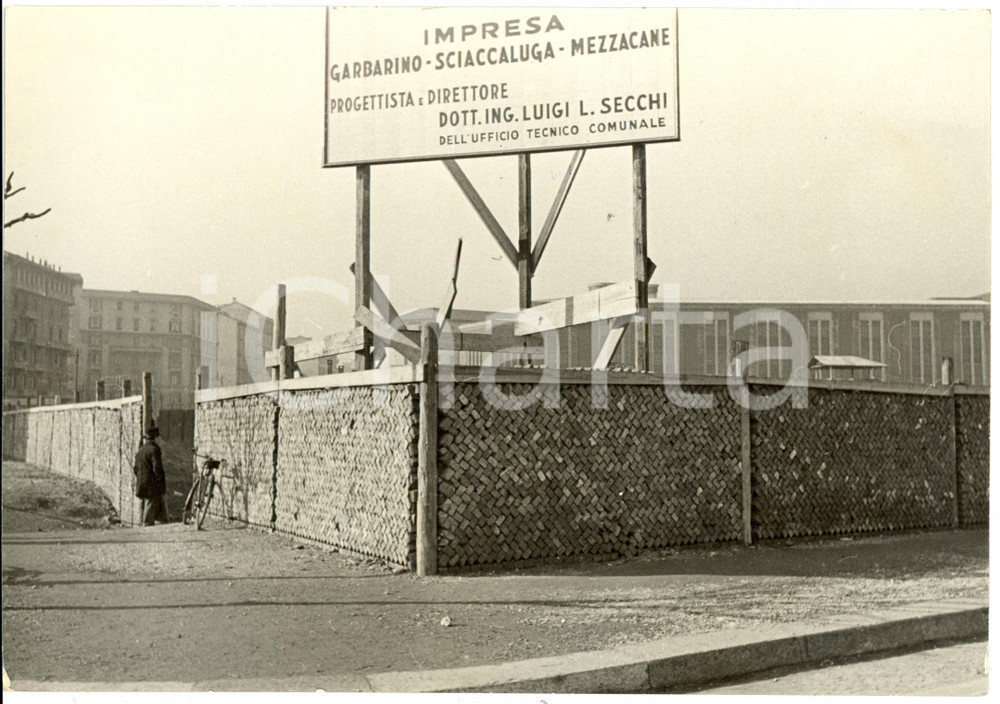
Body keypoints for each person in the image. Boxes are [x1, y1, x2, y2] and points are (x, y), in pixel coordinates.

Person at [134, 422, 168, 525]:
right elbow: (157, 468)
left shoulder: (141, 450)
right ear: (155, 438)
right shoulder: (154, 449)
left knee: (153, 500)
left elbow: (135, 469)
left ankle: (163, 520)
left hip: (141, 481)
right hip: (151, 483)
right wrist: (160, 480)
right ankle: (147, 522)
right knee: (152, 500)